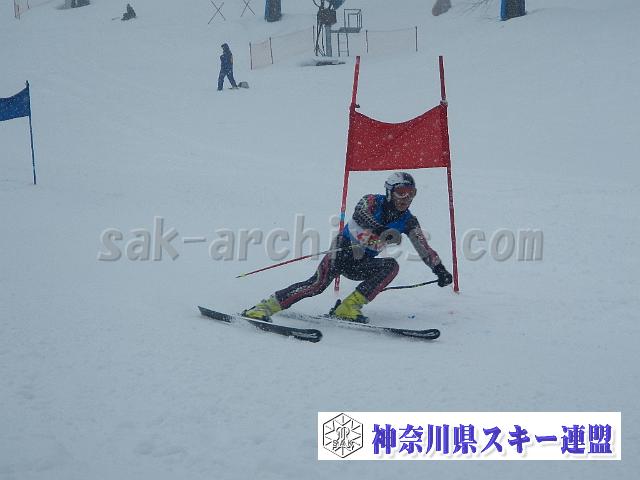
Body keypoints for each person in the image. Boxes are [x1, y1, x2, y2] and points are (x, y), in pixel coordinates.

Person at [243, 172, 453, 323]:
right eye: (401, 192)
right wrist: (380, 229)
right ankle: (262, 308)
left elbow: (424, 248)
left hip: (362, 263)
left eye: (411, 193)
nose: (406, 199)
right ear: (390, 192)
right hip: (342, 252)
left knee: (391, 266)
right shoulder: (372, 201)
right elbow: (360, 215)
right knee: (316, 286)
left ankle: (348, 308)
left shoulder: (409, 221)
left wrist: (439, 269)